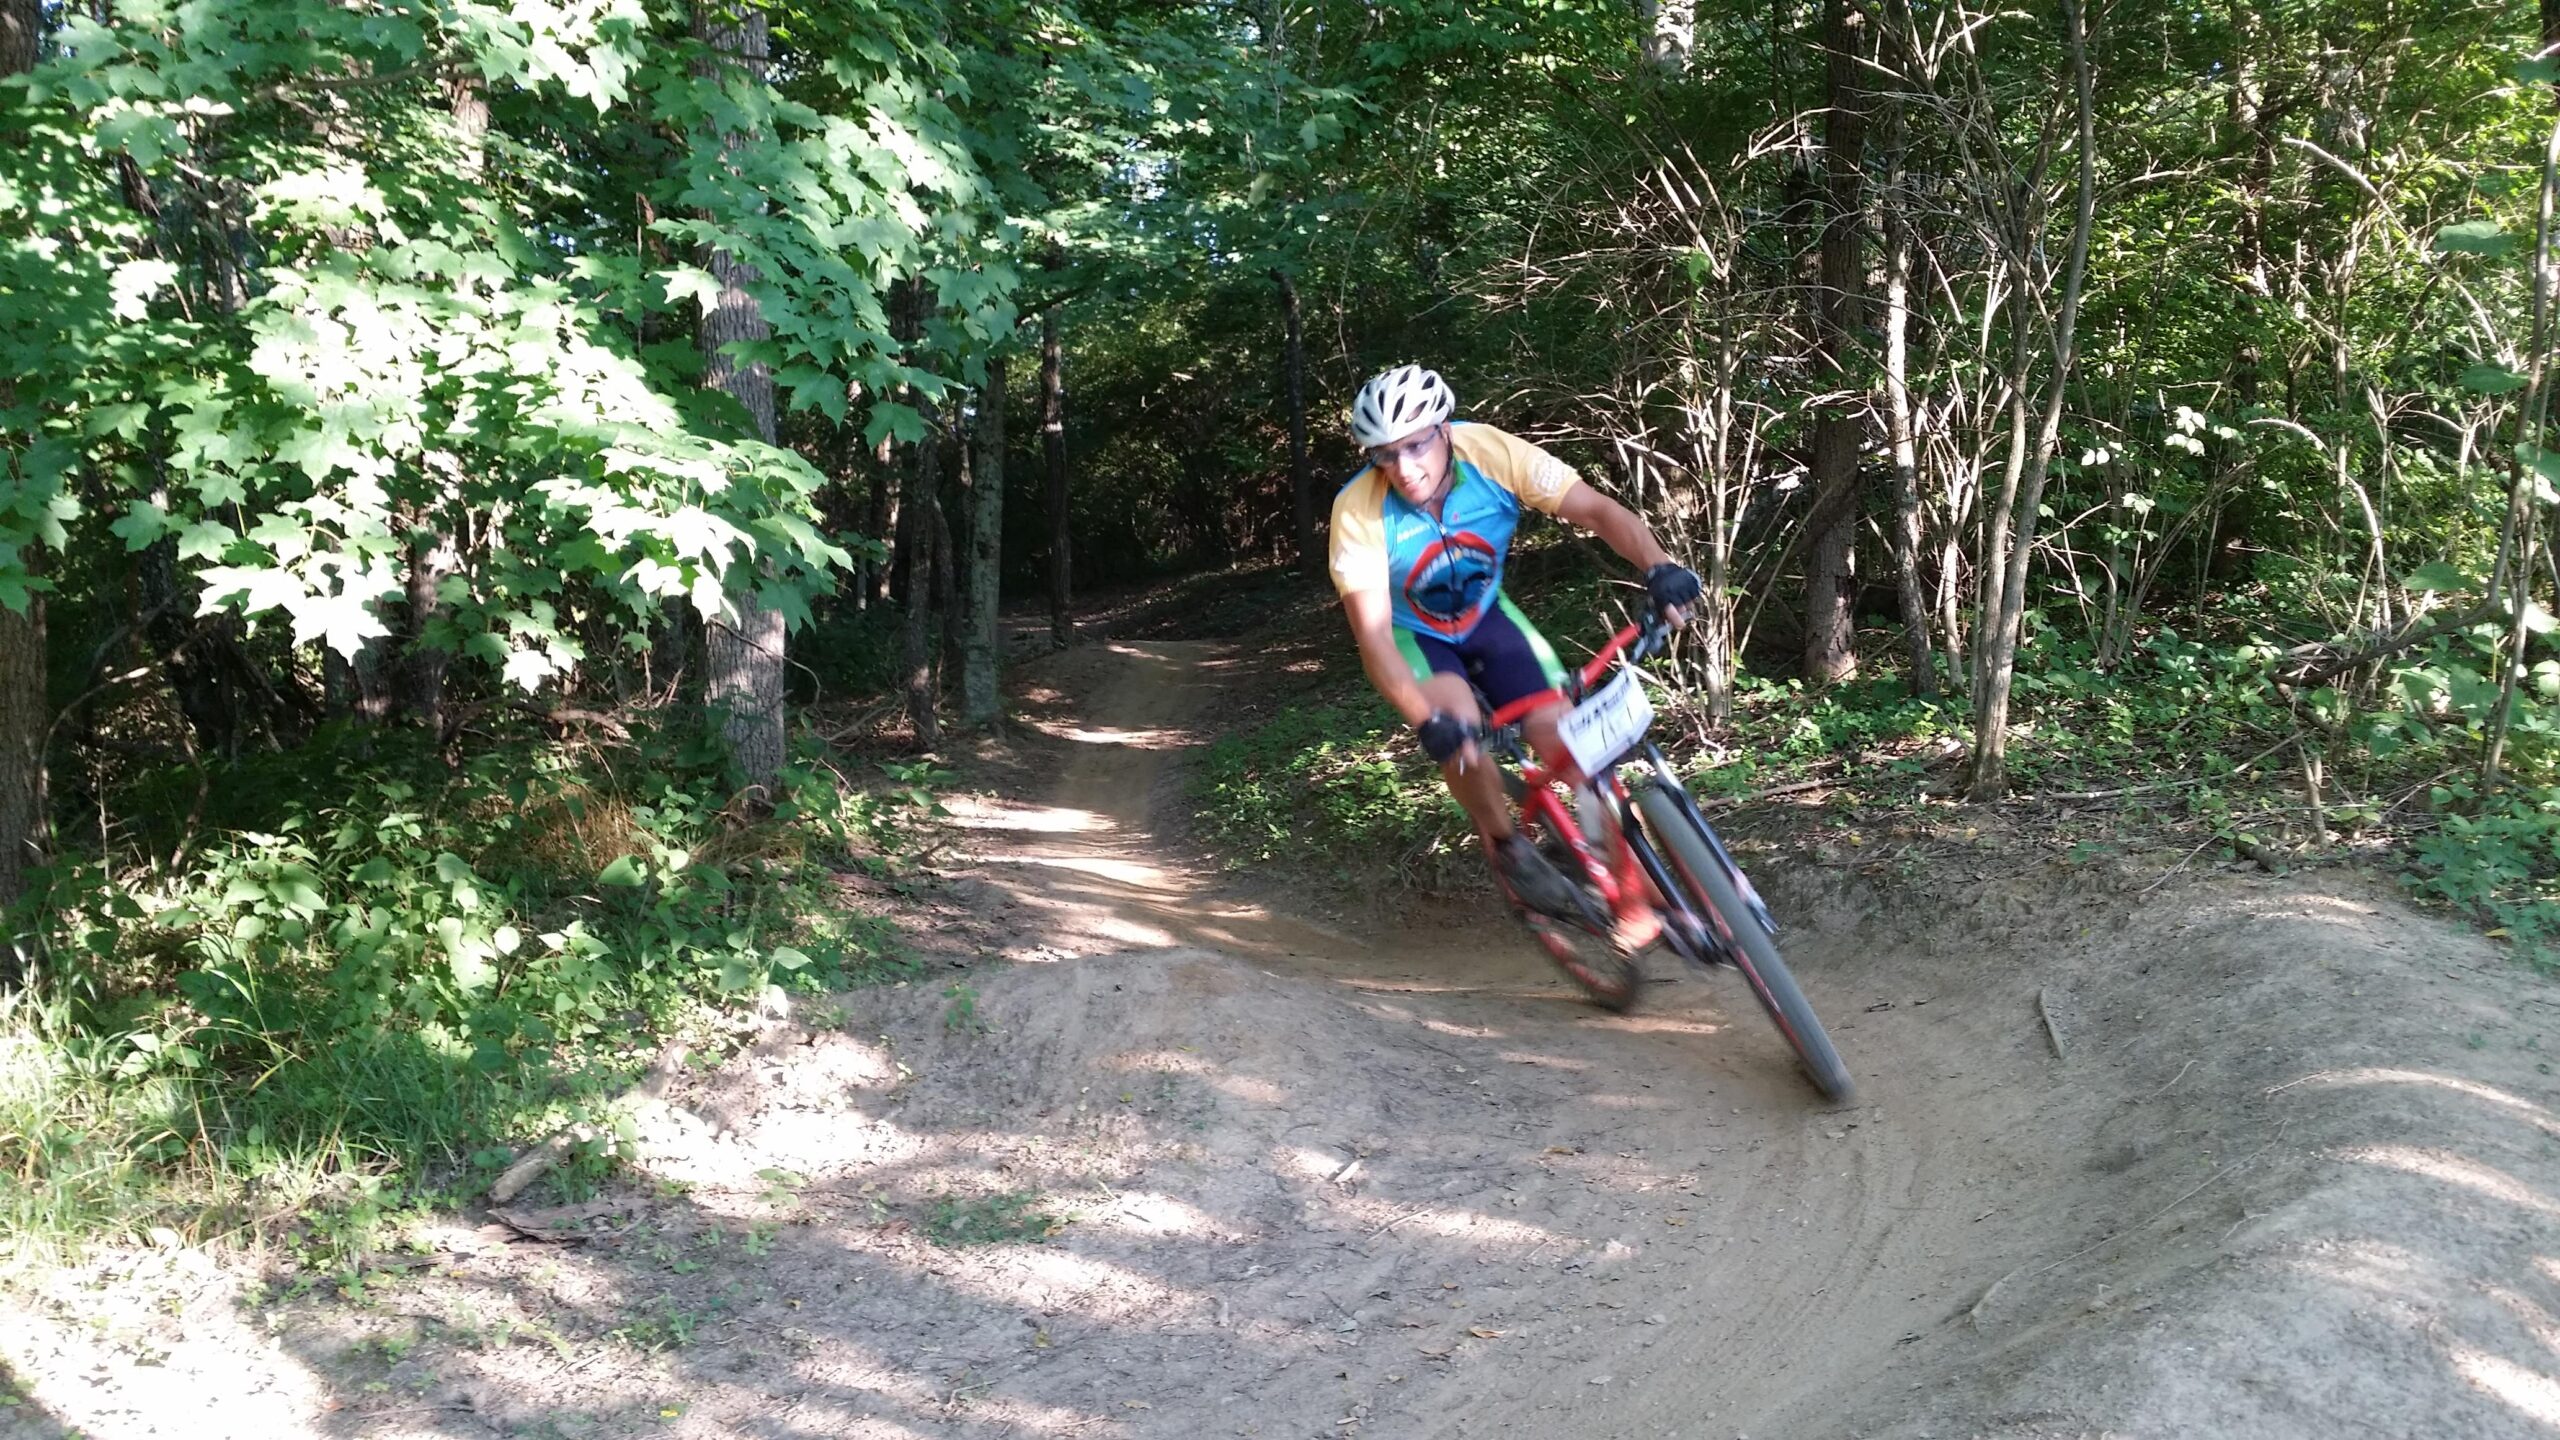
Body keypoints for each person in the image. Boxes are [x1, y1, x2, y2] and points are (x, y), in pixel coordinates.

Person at [1327, 364, 1702, 935]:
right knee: (1459, 734)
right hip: (1417, 636)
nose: (1403, 468)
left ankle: (1637, 895)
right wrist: (1424, 719)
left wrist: (1658, 567)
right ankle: (1506, 845)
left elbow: (1597, 511)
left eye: (1415, 446)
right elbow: (1375, 637)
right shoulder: (1358, 511)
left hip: (1486, 618)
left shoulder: (1493, 454)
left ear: (1445, 428)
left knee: (1568, 737)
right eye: (1384, 455)